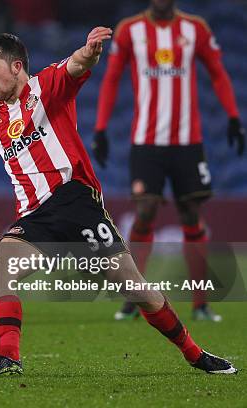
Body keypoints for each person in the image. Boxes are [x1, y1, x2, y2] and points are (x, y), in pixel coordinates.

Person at [0, 31, 237, 375]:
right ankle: (7, 357)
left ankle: (195, 354)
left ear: (16, 66)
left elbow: (76, 65)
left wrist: (89, 51)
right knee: (0, 272)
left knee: (134, 287)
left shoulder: (46, 86)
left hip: (75, 199)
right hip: (35, 215)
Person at [92, 0, 245, 321]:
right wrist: (102, 128)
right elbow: (111, 79)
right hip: (146, 142)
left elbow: (218, 73)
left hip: (188, 143)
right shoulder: (131, 29)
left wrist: (233, 117)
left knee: (191, 214)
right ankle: (135, 297)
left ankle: (200, 304)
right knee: (145, 211)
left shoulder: (196, 28)